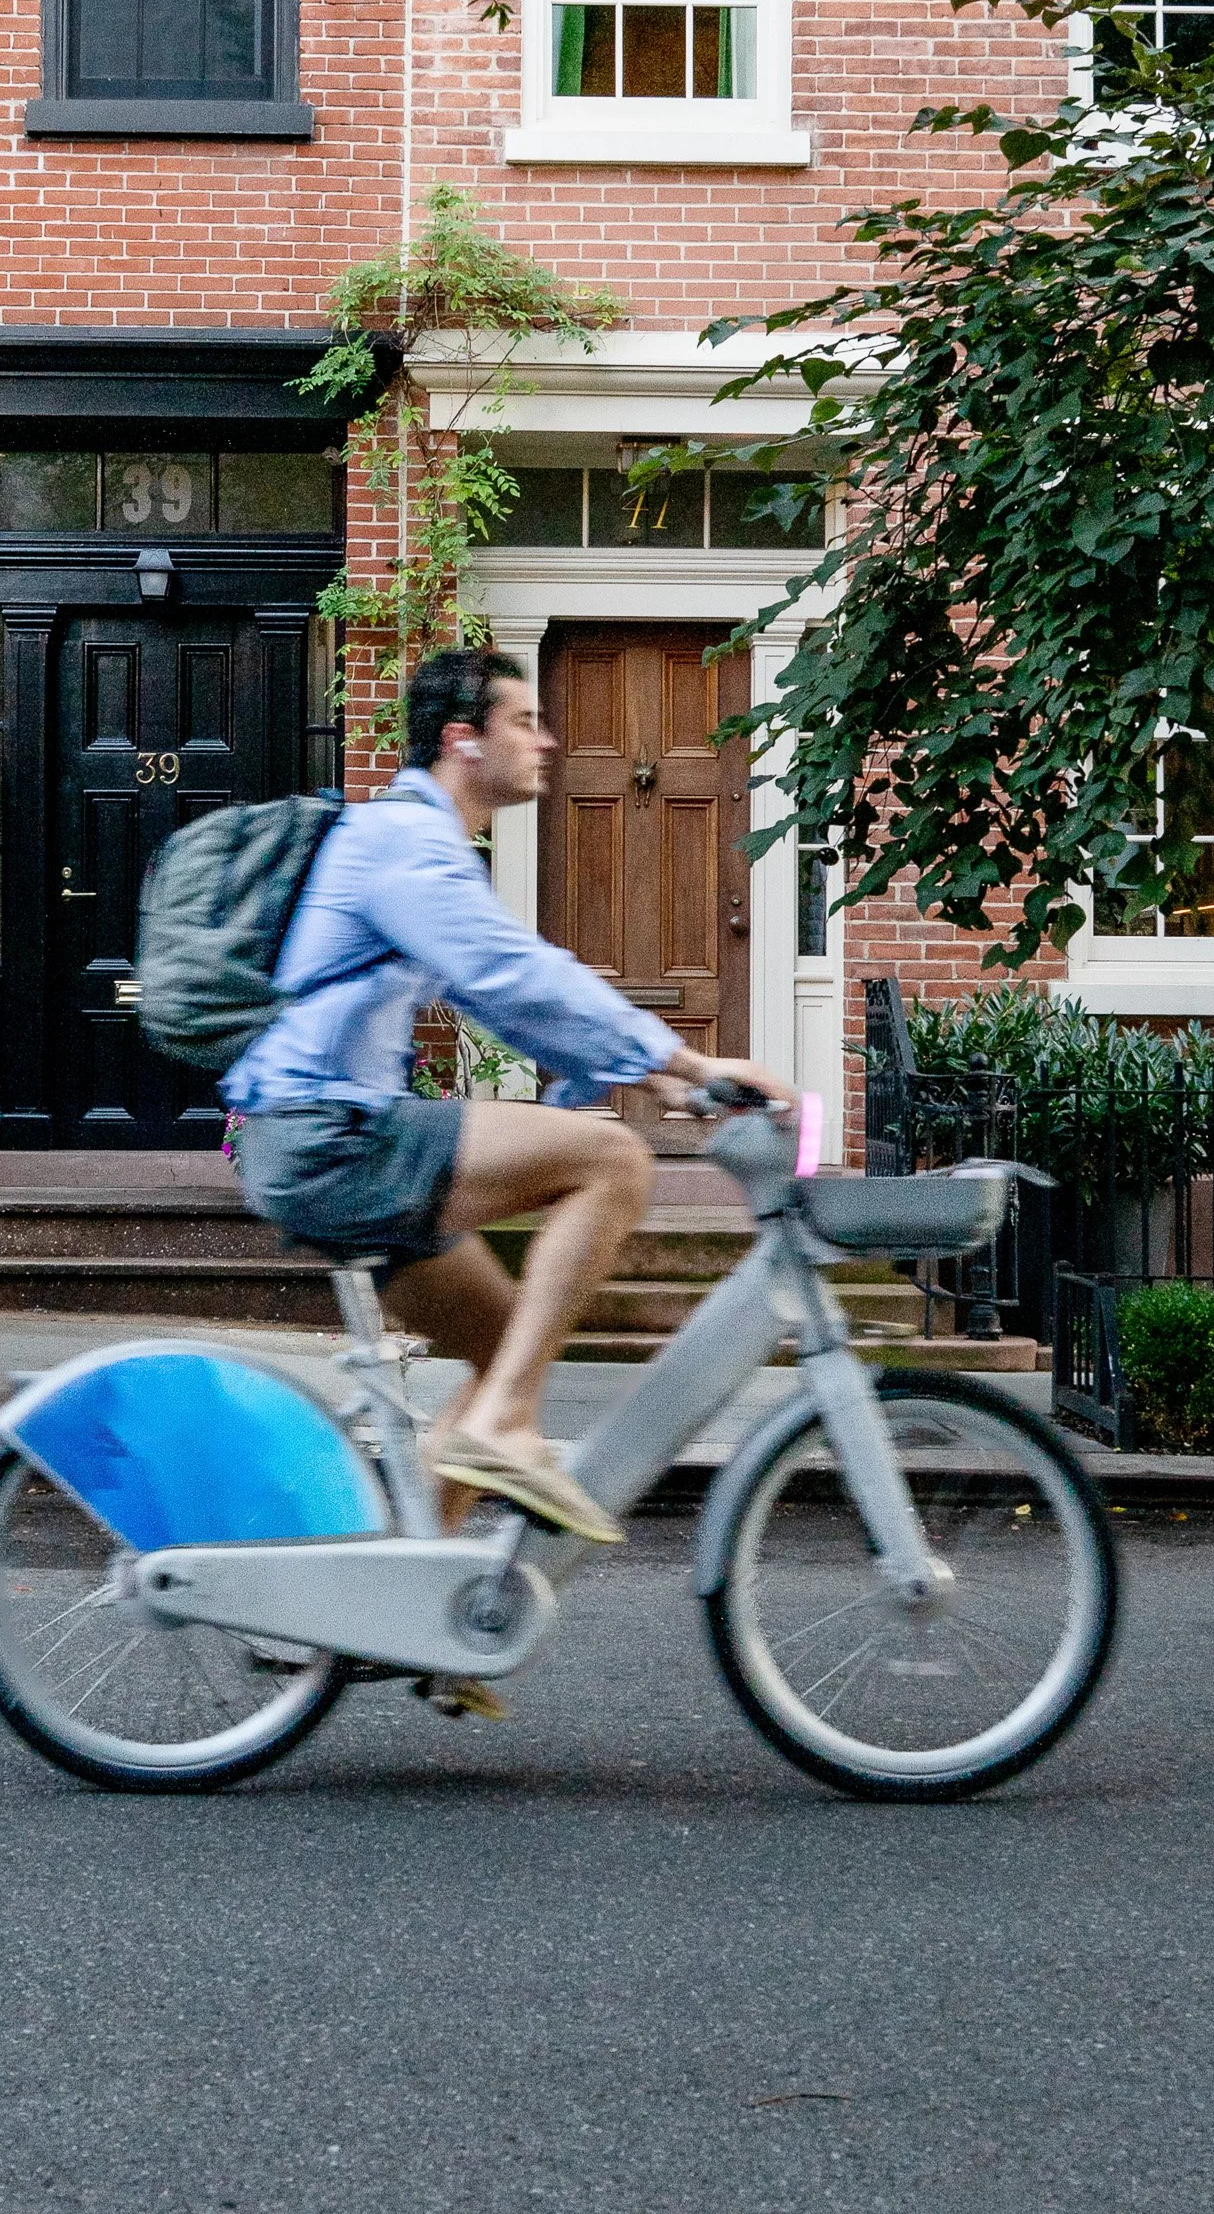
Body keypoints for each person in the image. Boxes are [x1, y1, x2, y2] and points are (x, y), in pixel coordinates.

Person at [223, 645, 798, 1547]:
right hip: (328, 1133)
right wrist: (687, 1066)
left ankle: (406, 1599)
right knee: (611, 1160)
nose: (550, 740)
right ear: (463, 741)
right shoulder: (404, 842)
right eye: (525, 722)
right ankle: (502, 1431)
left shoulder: (414, 844)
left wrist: (674, 1084)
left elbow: (507, 1000)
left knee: (499, 1356)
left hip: (329, 1133)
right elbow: (511, 973)